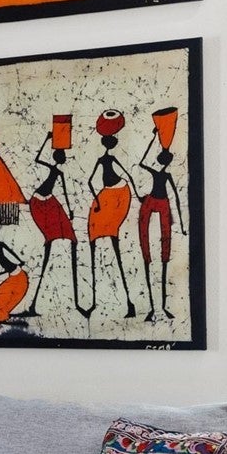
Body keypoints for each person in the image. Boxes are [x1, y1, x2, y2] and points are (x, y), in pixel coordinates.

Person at [17, 130, 80, 319]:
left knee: (70, 237)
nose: (64, 159)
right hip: (39, 202)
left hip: (47, 201)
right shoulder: (57, 170)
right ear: (61, 159)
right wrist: (46, 139)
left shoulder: (58, 171)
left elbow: (65, 192)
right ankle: (35, 304)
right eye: (63, 157)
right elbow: (38, 159)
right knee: (53, 239)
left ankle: (73, 302)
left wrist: (69, 211)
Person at [86, 116, 138, 319]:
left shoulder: (107, 160)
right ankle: (94, 302)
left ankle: (129, 304)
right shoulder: (103, 160)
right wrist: (98, 202)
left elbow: (126, 176)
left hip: (118, 195)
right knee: (94, 234)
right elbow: (90, 182)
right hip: (107, 197)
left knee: (112, 238)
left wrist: (137, 195)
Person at [137, 141, 186, 323]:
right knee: (149, 248)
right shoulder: (162, 174)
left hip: (160, 203)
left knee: (164, 249)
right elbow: (176, 199)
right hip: (154, 202)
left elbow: (177, 199)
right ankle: (154, 308)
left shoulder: (163, 175)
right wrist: (153, 139)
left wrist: (181, 224)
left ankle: (161, 307)